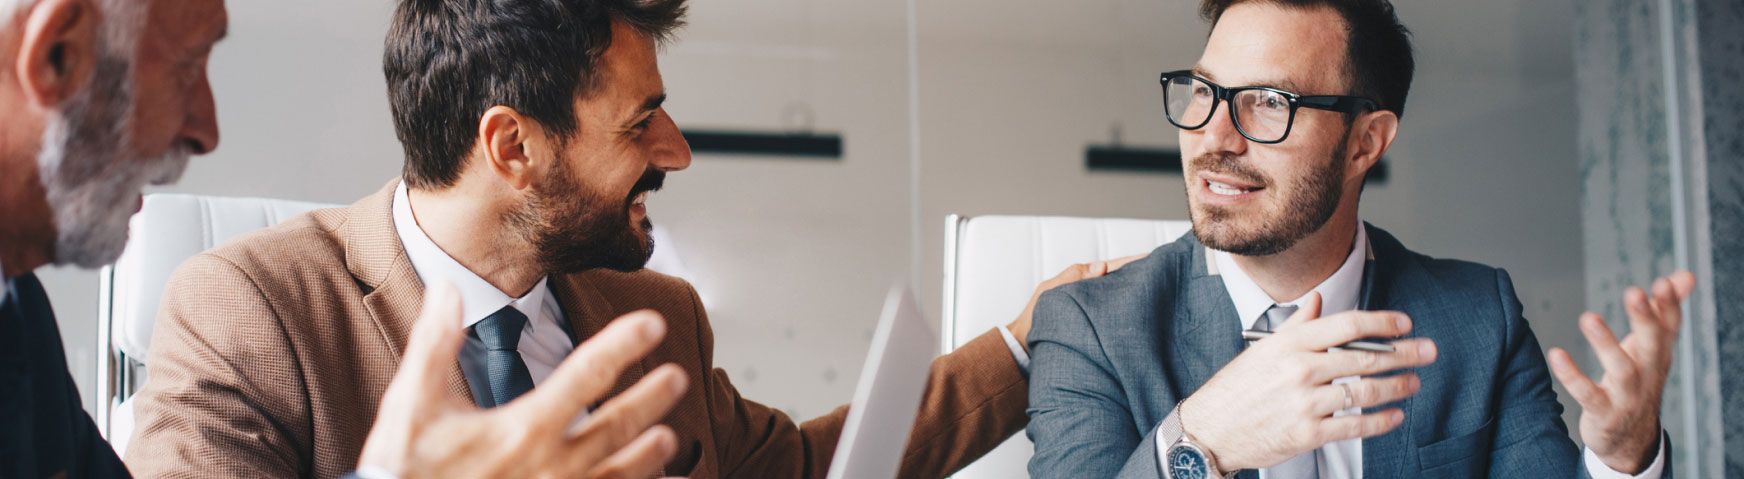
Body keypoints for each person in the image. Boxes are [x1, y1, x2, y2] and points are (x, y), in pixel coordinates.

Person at [122, 0, 1135, 478]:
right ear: (512, 147)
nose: (678, 151)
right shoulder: (246, 308)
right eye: (639, 120)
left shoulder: (654, 315)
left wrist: (1026, 339)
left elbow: (810, 468)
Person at [0, 0, 695, 477]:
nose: (207, 130)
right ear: (53, 48)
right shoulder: (243, 307)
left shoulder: (18, 316)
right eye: (187, 64)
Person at [1023, 0, 1694, 478]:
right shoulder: (1092, 327)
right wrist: (1200, 443)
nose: (1213, 137)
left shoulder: (1477, 315)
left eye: (1267, 103)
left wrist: (1622, 460)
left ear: (1365, 142)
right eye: (1204, 91)